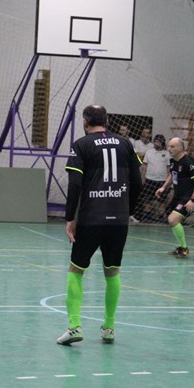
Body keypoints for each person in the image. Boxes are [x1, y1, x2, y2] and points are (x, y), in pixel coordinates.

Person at [56, 105, 142, 346]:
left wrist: (70, 217)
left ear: (85, 121)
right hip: (119, 219)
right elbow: (137, 182)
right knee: (112, 271)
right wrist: (127, 211)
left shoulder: (81, 145)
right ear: (107, 120)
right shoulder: (125, 144)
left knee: (76, 269)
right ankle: (109, 327)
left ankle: (74, 326)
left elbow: (75, 184)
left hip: (91, 218)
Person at [155, 137, 194, 257]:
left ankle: (184, 248)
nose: (169, 149)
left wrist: (192, 200)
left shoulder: (188, 161)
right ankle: (181, 247)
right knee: (172, 221)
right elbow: (173, 175)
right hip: (177, 195)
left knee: (173, 219)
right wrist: (163, 187)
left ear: (181, 148)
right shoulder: (173, 161)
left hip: (187, 197)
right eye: (168, 146)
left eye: (172, 147)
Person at [134, 133, 170, 223]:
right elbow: (144, 166)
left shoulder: (167, 154)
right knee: (147, 200)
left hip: (161, 181)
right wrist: (143, 179)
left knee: (161, 201)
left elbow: (168, 168)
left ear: (162, 143)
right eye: (155, 142)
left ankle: (161, 218)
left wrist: (168, 182)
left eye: (158, 142)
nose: (156, 144)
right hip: (149, 180)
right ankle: (147, 217)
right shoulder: (149, 152)